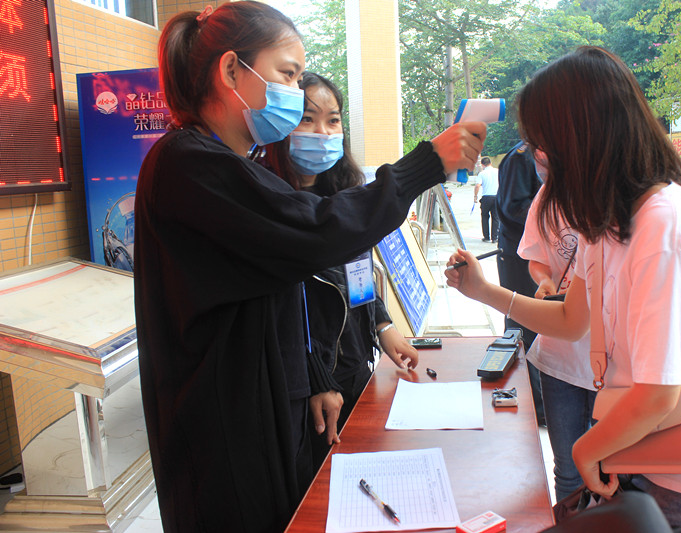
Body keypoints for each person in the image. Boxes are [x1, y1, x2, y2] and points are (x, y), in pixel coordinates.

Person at [133, 3, 485, 532]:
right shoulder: (188, 165)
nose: (296, 94)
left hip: (267, 408)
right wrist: (426, 165)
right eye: (287, 75)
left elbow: (290, 278)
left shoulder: (229, 165)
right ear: (231, 70)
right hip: (226, 431)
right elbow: (318, 232)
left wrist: (316, 374)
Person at [445, 47, 681, 528]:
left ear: (582, 141)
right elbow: (572, 320)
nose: (537, 161)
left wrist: (587, 448)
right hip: (646, 448)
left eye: (542, 146)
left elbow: (657, 394)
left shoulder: (662, 229)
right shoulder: (609, 221)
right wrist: (484, 290)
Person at [285, 72, 420, 466]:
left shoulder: (346, 192)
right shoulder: (273, 201)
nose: (322, 132)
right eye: (307, 119)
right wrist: (316, 378)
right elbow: (287, 311)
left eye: (333, 120)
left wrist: (382, 325)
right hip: (312, 384)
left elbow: (358, 270)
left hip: (354, 362)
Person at [518, 191, 596, 502]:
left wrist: (484, 291)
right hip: (559, 358)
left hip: (610, 360)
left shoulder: (613, 195)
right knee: (567, 469)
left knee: (611, 468)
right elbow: (537, 259)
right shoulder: (547, 197)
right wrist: (544, 280)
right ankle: (569, 519)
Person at [494, 141, 546, 425]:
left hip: (536, 254)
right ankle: (534, 404)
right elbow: (514, 209)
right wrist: (554, 213)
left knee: (538, 325)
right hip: (521, 256)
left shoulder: (544, 152)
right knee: (524, 326)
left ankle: (537, 401)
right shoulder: (521, 157)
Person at [474, 156, 499, 242]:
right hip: (496, 197)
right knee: (496, 217)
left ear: (482, 165)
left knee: (485, 217)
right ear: (490, 163)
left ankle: (486, 237)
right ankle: (495, 237)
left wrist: (475, 196)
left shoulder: (482, 173)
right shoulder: (498, 171)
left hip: (486, 198)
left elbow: (477, 185)